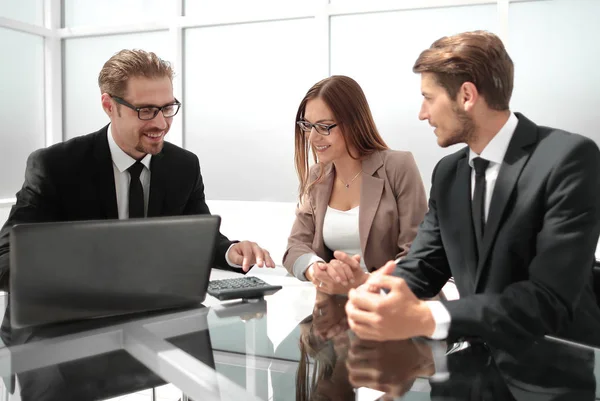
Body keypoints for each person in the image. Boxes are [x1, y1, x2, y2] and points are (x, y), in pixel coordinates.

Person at [344, 31, 600, 348]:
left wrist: (428, 317)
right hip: (474, 368)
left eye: (428, 97)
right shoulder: (449, 173)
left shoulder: (568, 159)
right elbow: (424, 266)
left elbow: (549, 297)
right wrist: (378, 295)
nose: (422, 113)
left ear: (466, 96)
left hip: (553, 368)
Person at [0, 49, 274, 291]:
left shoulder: (184, 166)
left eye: (167, 108)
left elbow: (198, 240)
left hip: (154, 316)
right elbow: (5, 258)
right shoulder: (56, 166)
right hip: (70, 321)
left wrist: (231, 252)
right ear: (109, 106)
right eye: (145, 110)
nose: (161, 124)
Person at [283, 75, 428, 294]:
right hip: (333, 305)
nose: (312, 138)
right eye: (307, 125)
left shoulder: (398, 166)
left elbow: (417, 253)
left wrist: (367, 282)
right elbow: (295, 247)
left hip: (389, 303)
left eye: (324, 126)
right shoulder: (317, 177)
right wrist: (316, 269)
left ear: (353, 123)